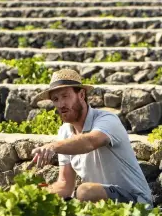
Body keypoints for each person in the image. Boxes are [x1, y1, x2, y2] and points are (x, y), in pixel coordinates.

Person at [31, 69, 153, 206]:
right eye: (55, 99)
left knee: (85, 191)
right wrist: (37, 194)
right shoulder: (64, 132)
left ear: (81, 95)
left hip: (138, 202)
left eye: (65, 96)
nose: (60, 104)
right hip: (103, 205)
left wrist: (53, 146)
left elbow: (90, 141)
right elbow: (65, 185)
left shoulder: (107, 119)